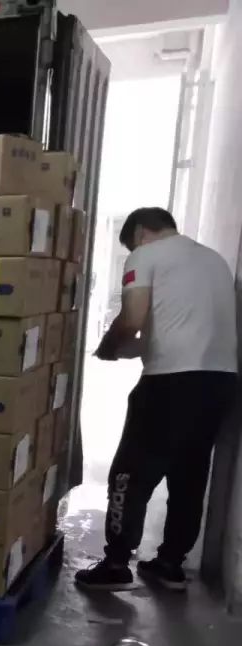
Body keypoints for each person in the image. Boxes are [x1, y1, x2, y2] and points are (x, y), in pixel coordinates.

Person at [76, 207, 237, 592]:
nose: (133, 251)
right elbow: (170, 333)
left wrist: (107, 346)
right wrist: (131, 350)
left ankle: (116, 564)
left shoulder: (145, 255)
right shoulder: (215, 261)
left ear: (141, 233)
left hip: (169, 386)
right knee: (189, 473)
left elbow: (132, 320)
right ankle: (170, 563)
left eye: (132, 245)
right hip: (220, 383)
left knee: (129, 472)